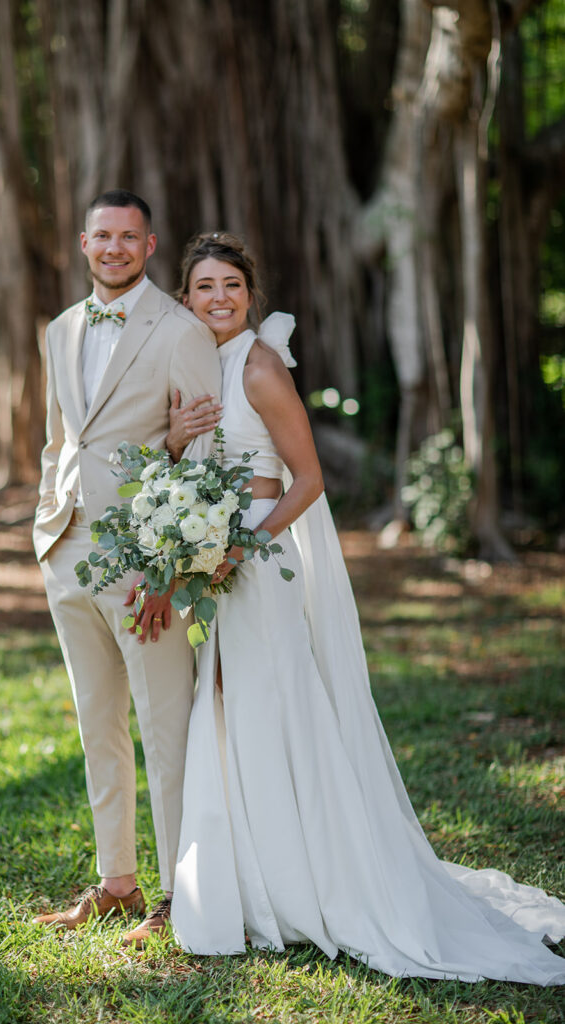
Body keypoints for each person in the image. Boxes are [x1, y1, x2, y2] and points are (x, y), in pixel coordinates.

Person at [164, 231, 565, 983]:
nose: (218, 298)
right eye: (203, 287)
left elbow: (308, 479)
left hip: (253, 558)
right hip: (209, 556)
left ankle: (308, 883)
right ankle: (249, 881)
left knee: (271, 705)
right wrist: (179, 453)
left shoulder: (257, 367)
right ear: (185, 297)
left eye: (231, 286)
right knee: (224, 705)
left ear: (251, 295)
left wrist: (243, 546)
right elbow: (191, 468)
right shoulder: (198, 366)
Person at [32, 191, 222, 944]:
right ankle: (116, 880)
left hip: (145, 562)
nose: (113, 248)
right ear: (84, 243)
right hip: (66, 548)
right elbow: (58, 441)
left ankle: (179, 895)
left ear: (149, 247)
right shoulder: (59, 329)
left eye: (127, 237)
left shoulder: (181, 330)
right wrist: (46, 523)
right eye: (101, 236)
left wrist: (169, 571)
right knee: (96, 721)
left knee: (164, 725)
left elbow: (204, 458)